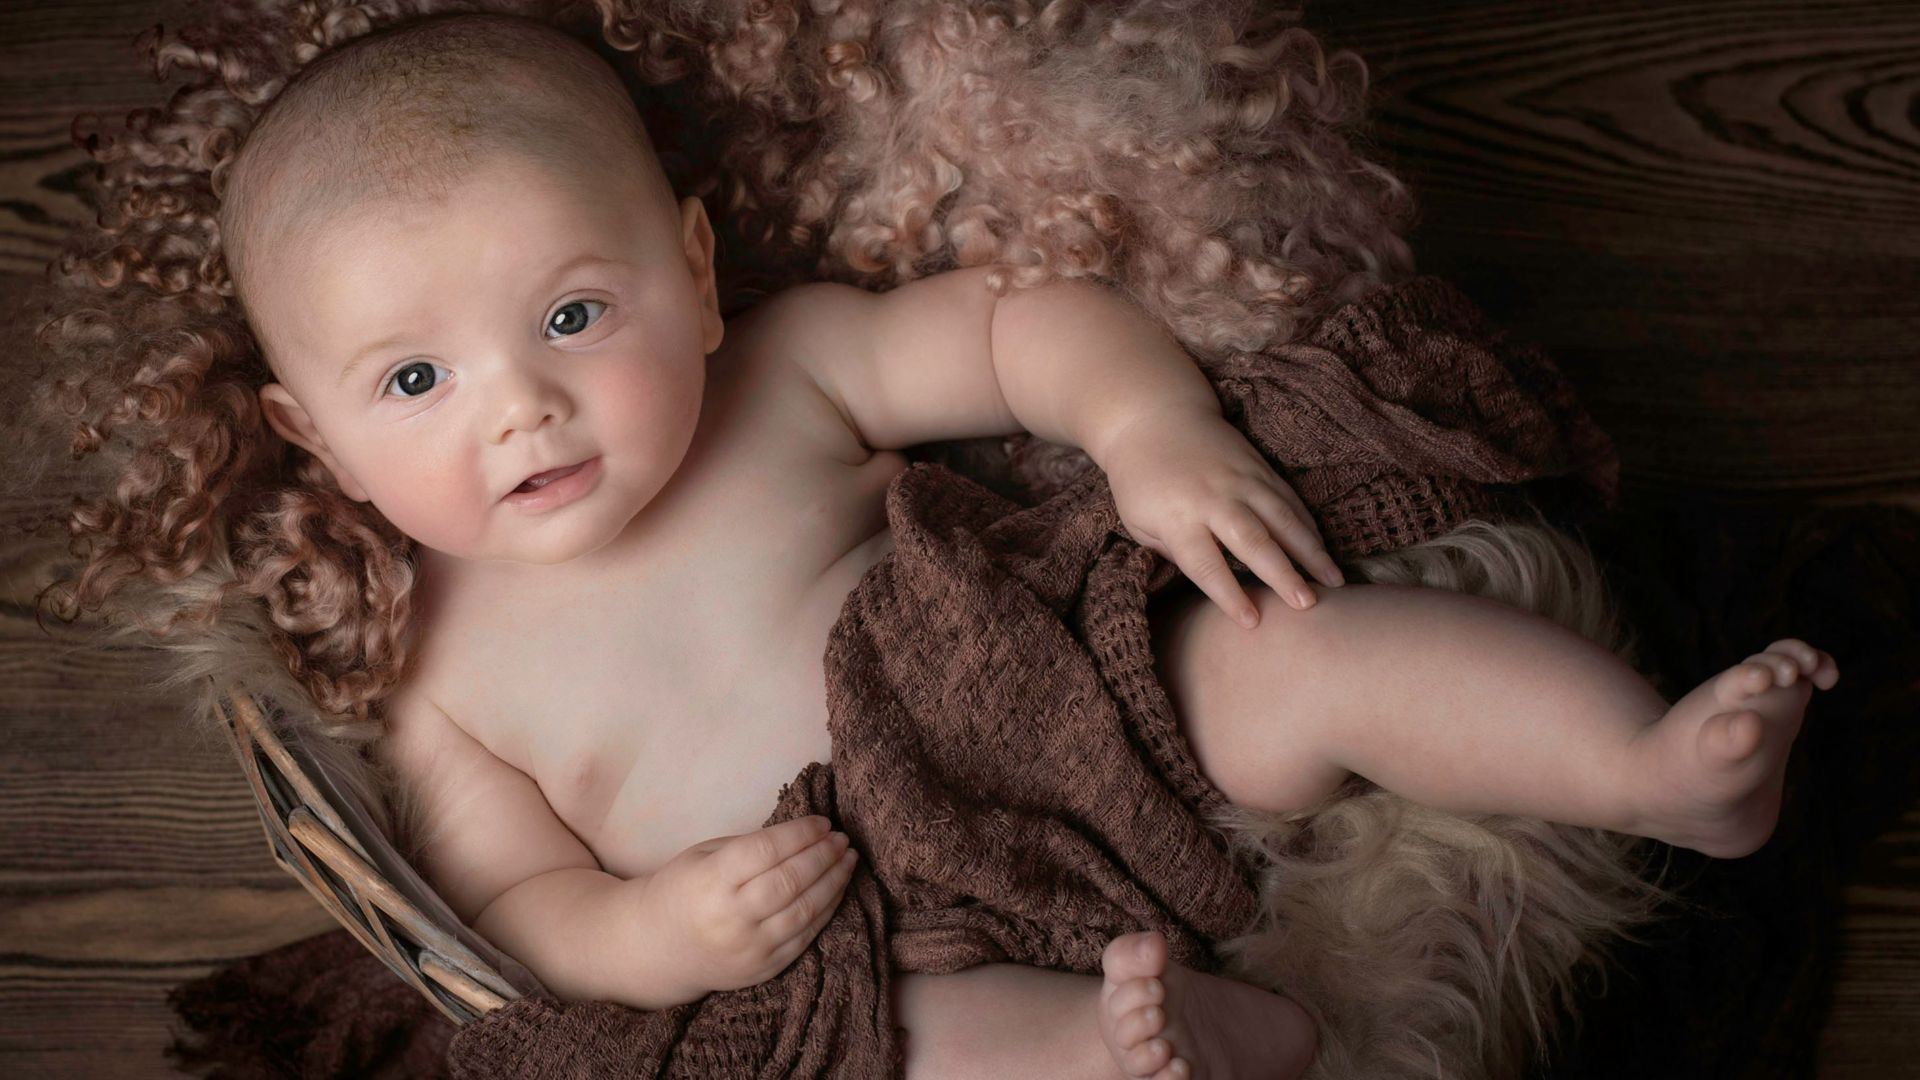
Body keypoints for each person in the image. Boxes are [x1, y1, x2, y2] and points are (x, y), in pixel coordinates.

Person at [45, 10, 1838, 1080]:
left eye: (576, 317)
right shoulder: (426, 672)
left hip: (1056, 704)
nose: (519, 413)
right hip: (861, 929)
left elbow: (1010, 327)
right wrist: (661, 927)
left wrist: (1150, 435)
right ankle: (1160, 1048)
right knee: (904, 1058)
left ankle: (1649, 767)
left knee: (1304, 643)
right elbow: (519, 913)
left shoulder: (787, 367)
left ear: (688, 264)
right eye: (417, 379)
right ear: (314, 438)